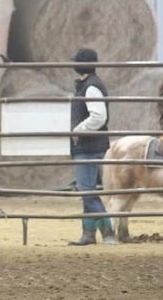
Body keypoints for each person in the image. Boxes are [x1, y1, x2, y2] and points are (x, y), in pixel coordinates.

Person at [68, 48, 116, 246]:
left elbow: (98, 116)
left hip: (88, 146)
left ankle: (108, 232)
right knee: (86, 190)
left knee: (87, 191)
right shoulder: (88, 85)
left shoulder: (90, 86)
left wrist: (78, 131)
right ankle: (88, 234)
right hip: (89, 145)